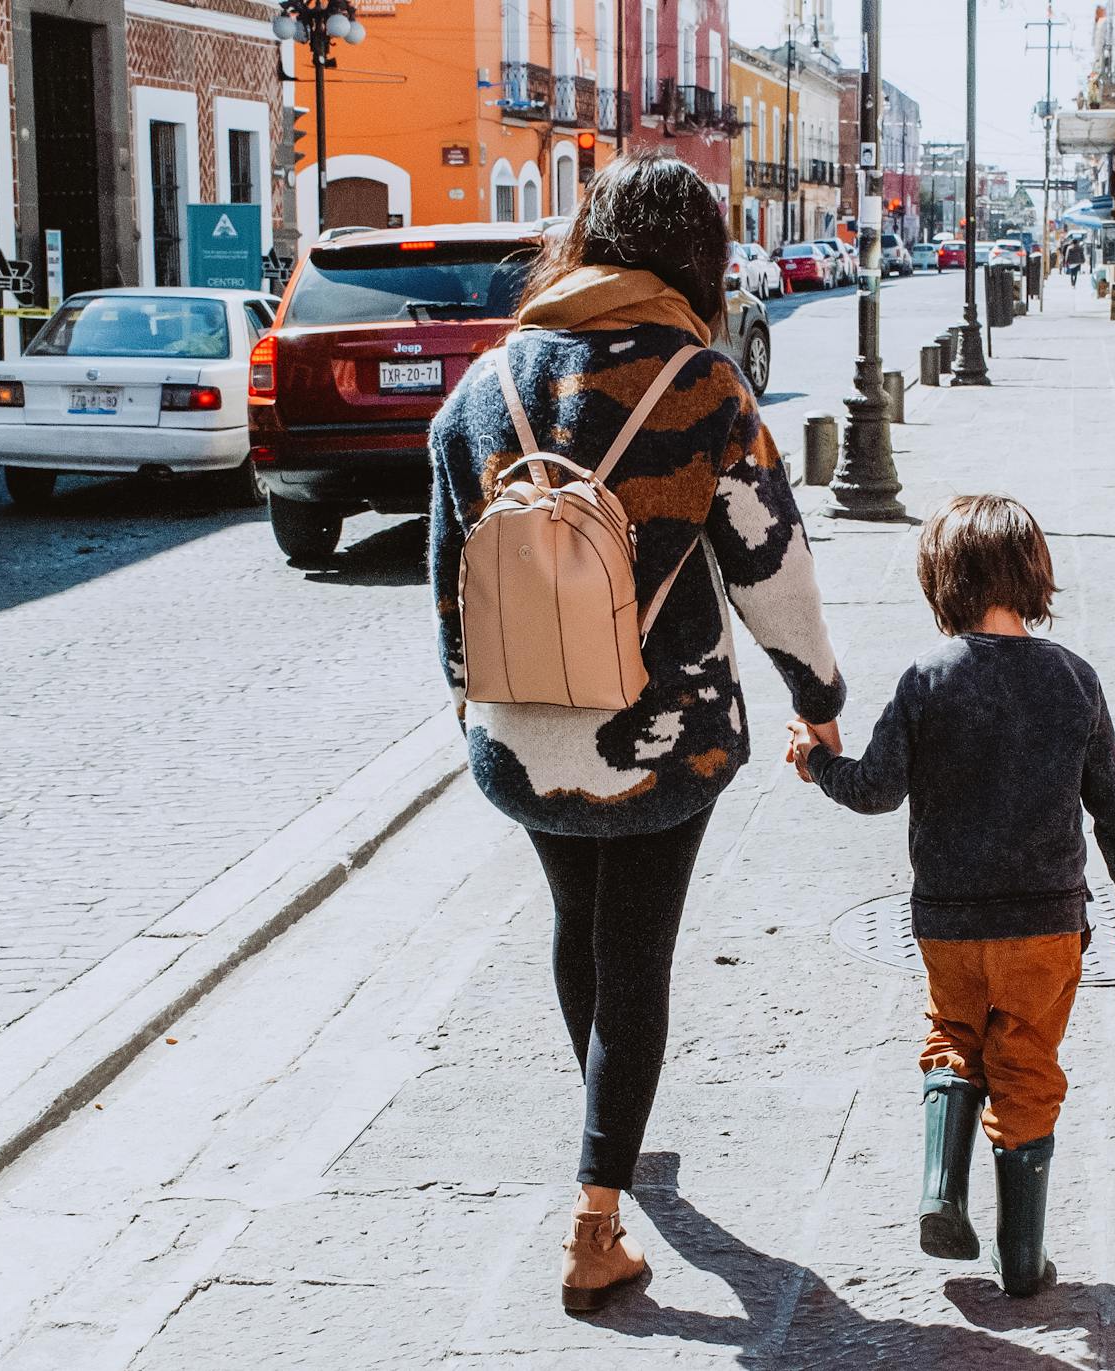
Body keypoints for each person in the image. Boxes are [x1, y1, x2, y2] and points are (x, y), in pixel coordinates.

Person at [427, 154, 845, 1313]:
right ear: (697, 260)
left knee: (579, 929)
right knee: (637, 958)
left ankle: (608, 1140)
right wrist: (818, 693)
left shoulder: (485, 384)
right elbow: (771, 564)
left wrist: (478, 706)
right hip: (666, 732)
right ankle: (595, 1218)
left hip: (525, 732)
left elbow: (448, 574)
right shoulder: (701, 382)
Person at [785, 495, 1115, 1299]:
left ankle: (940, 1191)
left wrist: (817, 762)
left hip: (948, 925)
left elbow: (876, 790)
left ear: (942, 583)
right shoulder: (1074, 679)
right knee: (1026, 1064)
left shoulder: (926, 678)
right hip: (1046, 927)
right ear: (1032, 576)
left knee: (953, 1037)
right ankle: (1023, 1259)